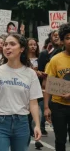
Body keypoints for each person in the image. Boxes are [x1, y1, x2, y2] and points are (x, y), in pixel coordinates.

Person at [44, 23, 70, 151]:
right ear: (63, 40)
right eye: (67, 37)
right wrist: (46, 107)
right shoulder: (55, 59)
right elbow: (49, 83)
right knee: (60, 140)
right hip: (58, 105)